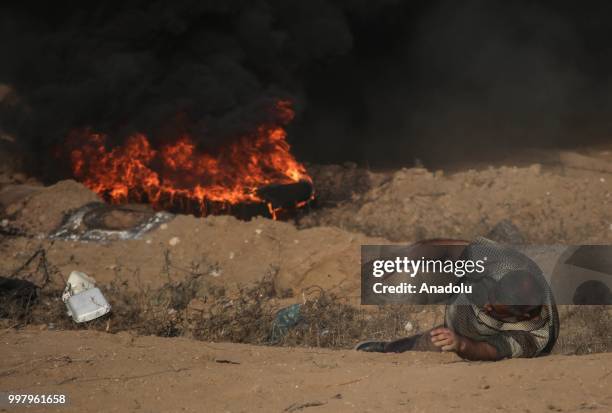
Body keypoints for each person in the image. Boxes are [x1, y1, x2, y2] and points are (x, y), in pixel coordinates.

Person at [356, 237, 559, 361]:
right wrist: (405, 258)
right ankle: (391, 347)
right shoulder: (501, 262)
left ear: (523, 314)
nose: (487, 306)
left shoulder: (535, 336)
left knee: (441, 339)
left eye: (497, 308)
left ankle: (390, 349)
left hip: (490, 334)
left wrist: (460, 344)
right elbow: (447, 247)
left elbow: (489, 351)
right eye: (491, 299)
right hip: (474, 292)